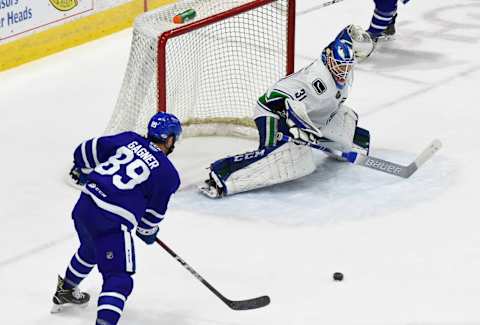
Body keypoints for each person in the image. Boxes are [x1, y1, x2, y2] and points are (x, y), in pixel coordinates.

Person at [199, 25, 371, 198]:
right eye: (340, 66)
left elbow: (341, 41)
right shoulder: (316, 80)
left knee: (346, 118)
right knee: (283, 158)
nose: (344, 71)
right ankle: (222, 174)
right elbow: (280, 98)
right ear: (329, 60)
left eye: (348, 67)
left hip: (313, 116)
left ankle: (355, 141)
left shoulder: (344, 70)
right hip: (273, 112)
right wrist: (298, 127)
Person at [51, 112, 182, 325]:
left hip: (85, 205)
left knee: (91, 249)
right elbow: (149, 223)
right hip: (111, 221)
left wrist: (83, 171)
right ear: (169, 139)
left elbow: (84, 151)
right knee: (119, 278)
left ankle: (66, 290)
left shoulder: (129, 139)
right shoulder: (168, 174)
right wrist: (149, 233)